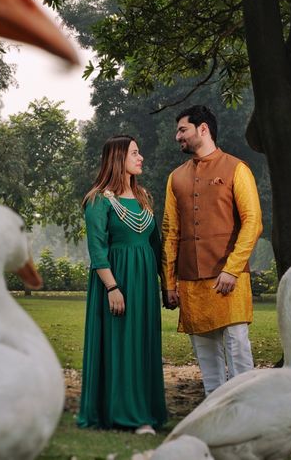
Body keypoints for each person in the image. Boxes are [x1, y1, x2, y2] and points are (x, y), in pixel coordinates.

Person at [161, 105, 263, 396]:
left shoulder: (237, 168)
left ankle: (248, 414)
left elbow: (253, 222)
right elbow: (170, 232)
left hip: (230, 280)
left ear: (202, 129)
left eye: (183, 130)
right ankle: (216, 417)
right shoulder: (175, 178)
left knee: (238, 350)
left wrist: (232, 268)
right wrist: (169, 283)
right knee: (208, 363)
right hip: (191, 284)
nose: (177, 136)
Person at [77, 135, 168, 434]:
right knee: (122, 344)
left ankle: (146, 409)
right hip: (117, 281)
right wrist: (112, 287)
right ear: (118, 158)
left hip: (144, 283)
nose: (141, 157)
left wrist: (167, 284)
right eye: (134, 153)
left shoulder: (144, 198)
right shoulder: (98, 200)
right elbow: (97, 248)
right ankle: (127, 414)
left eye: (139, 152)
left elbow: (156, 246)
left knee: (142, 345)